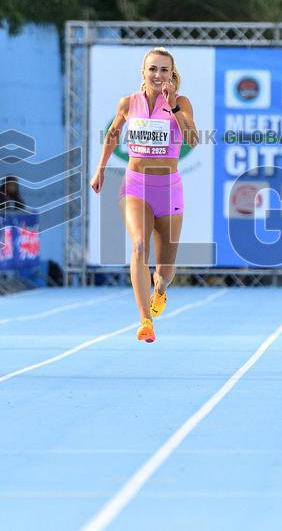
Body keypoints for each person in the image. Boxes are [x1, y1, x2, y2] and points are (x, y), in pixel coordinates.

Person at [90, 47, 198, 344]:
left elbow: (193, 139)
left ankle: (160, 291)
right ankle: (144, 320)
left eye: (164, 70)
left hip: (169, 189)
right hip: (136, 185)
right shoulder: (128, 103)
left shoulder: (181, 103)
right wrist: (100, 169)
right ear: (143, 72)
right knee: (138, 245)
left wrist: (175, 107)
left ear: (171, 74)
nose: (158, 75)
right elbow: (113, 134)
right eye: (153, 69)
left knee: (164, 270)